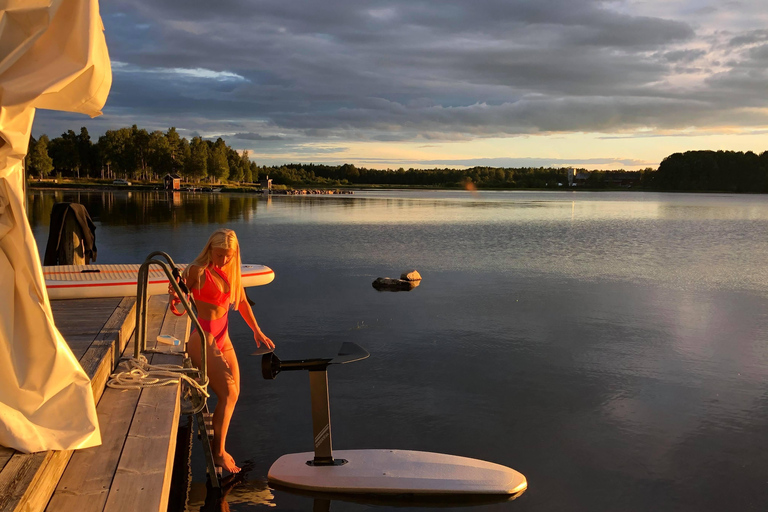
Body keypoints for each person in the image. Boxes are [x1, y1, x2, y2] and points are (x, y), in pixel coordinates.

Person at [169, 228, 274, 474]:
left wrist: (256, 330)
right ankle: (218, 453)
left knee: (234, 394)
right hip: (202, 337)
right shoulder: (198, 271)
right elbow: (178, 297)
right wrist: (175, 297)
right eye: (219, 255)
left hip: (223, 338)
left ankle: (220, 447)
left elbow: (243, 302)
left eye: (228, 255)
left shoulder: (231, 272)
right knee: (227, 392)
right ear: (210, 250)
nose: (223, 260)